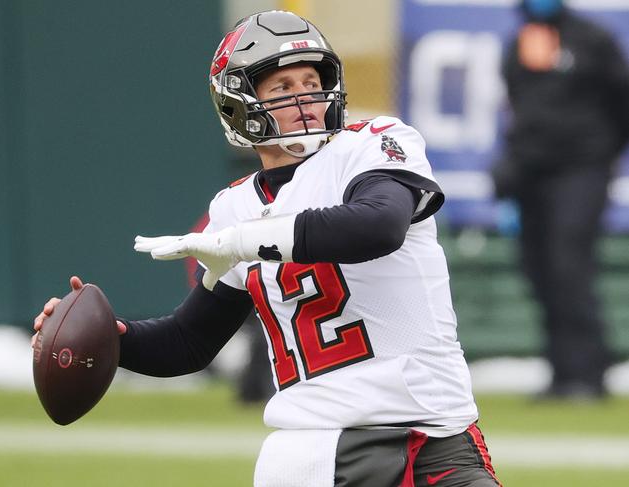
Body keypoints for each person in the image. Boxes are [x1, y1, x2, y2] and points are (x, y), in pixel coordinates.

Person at [34, 10, 501, 486]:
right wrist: (105, 338)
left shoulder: (371, 145)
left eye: (312, 80)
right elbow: (189, 343)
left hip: (435, 436)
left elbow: (379, 227)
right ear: (240, 105)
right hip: (315, 451)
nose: (306, 99)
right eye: (283, 88)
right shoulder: (235, 206)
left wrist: (243, 242)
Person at [492, 0, 629, 399]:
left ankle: (587, 374)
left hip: (581, 169)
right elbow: (520, 109)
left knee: (569, 264)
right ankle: (561, 373)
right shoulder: (520, 42)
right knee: (540, 268)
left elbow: (621, 100)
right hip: (532, 171)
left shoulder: (592, 38)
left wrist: (600, 152)